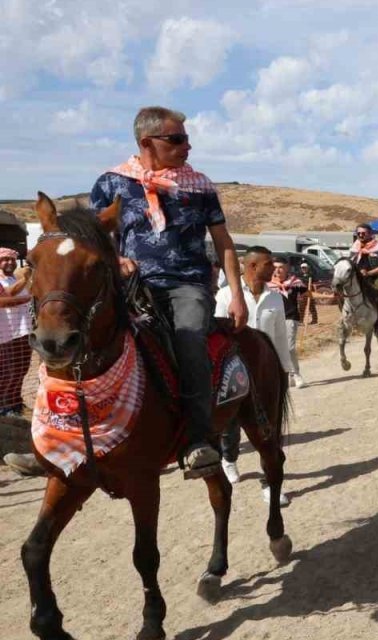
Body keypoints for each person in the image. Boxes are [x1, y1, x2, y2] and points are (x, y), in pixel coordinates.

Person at [90, 105, 248, 479]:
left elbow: (223, 242)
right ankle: (63, 436)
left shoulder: (201, 184)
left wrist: (237, 293)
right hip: (132, 286)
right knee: (84, 334)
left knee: (190, 339)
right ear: (147, 142)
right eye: (177, 139)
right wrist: (115, 261)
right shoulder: (110, 183)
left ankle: (198, 439)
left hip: (187, 285)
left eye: (187, 139)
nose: (187, 146)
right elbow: (95, 239)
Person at [215, 247, 294, 505]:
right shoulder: (226, 296)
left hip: (265, 374)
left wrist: (284, 371)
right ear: (252, 267)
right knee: (230, 426)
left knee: (267, 431)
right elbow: (217, 340)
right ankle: (229, 457)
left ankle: (269, 483)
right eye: (269, 263)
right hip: (234, 373)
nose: (275, 268)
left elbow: (280, 336)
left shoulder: (275, 298)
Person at [0, 249, 33, 416]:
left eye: (12, 260)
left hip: (23, 330)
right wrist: (26, 282)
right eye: (5, 260)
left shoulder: (15, 278)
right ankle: (4, 407)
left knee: (21, 369)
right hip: (5, 334)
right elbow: (5, 298)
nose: (10, 263)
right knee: (7, 372)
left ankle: (15, 402)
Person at [269, 258, 308, 389]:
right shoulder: (267, 284)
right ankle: (287, 375)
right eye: (275, 267)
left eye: (280, 267)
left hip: (290, 317)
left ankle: (296, 374)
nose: (277, 270)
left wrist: (330, 297)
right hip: (273, 318)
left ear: (286, 268)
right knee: (277, 348)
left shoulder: (295, 282)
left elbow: (308, 294)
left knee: (290, 347)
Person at [349, 223, 378, 320]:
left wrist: (369, 273)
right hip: (359, 276)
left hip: (377, 276)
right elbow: (351, 262)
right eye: (359, 233)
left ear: (370, 234)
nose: (361, 235)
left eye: (363, 233)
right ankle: (347, 316)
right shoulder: (355, 247)